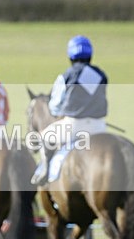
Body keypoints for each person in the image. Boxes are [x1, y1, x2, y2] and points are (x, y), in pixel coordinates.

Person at [31, 35, 108, 185]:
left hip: (74, 126)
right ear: (90, 54)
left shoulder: (66, 75)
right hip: (99, 126)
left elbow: (55, 105)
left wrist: (59, 111)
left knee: (43, 137)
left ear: (70, 55)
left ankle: (45, 172)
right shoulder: (100, 75)